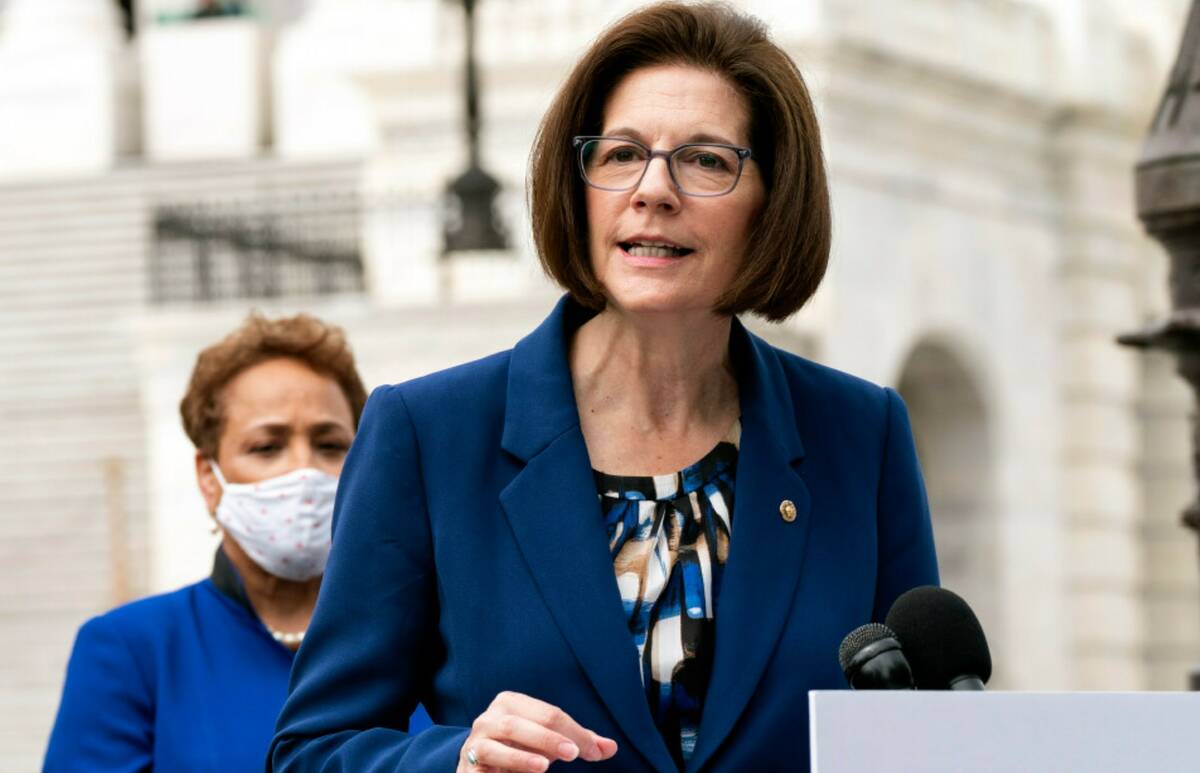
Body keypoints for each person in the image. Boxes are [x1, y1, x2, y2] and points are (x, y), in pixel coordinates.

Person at [270, 3, 938, 771]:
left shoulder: (863, 435)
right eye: (621, 154)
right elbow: (311, 750)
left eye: (707, 161)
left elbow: (912, 736)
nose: (652, 189)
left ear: (772, 203)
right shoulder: (428, 435)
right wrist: (451, 761)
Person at [43, 314, 431, 771]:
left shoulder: (432, 638)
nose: (303, 471)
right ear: (209, 477)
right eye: (267, 447)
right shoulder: (132, 650)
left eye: (330, 445)